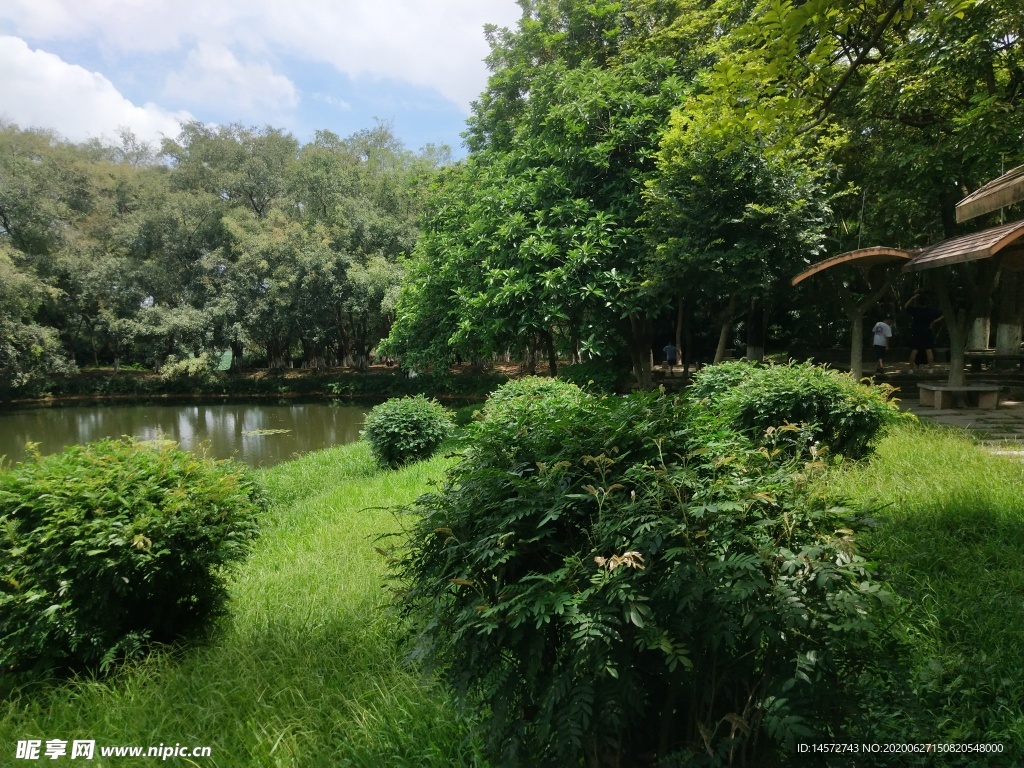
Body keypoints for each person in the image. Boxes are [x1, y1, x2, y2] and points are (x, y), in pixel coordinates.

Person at [904, 291, 943, 369]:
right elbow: (943, 315)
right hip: (927, 332)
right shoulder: (931, 310)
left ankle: (911, 369)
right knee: (928, 350)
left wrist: (912, 298)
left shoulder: (916, 310)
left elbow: (906, 307)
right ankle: (931, 369)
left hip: (917, 332)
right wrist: (934, 322)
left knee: (914, 350)